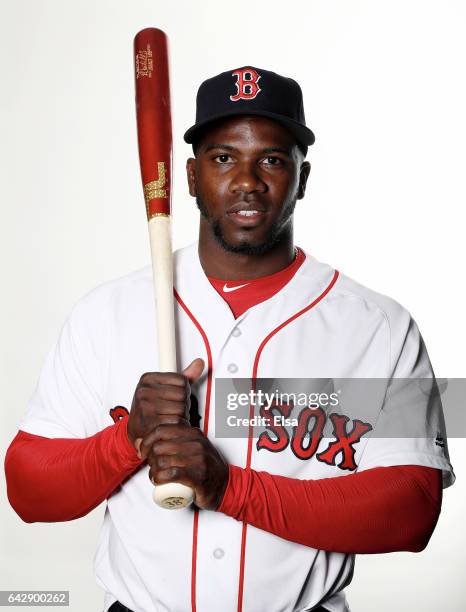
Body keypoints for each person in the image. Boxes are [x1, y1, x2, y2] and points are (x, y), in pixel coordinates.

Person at [5, 66, 455, 612]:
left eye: (271, 159)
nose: (247, 179)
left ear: (303, 179)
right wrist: (125, 442)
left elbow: (412, 509)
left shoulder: (381, 326)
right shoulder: (106, 312)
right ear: (191, 177)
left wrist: (229, 489)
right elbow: (27, 490)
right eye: (223, 158)